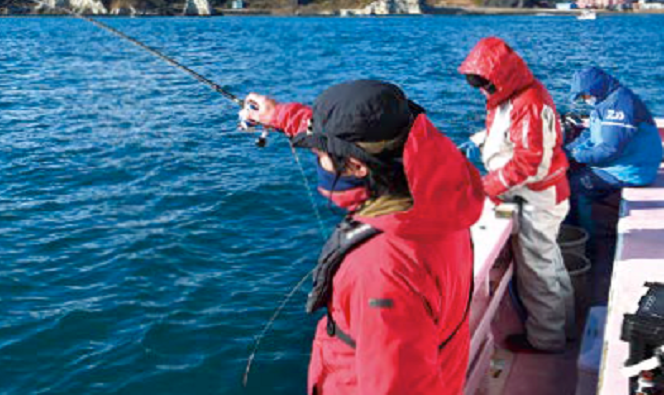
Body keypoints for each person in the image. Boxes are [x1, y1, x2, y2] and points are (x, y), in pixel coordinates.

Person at [244, 80, 484, 395]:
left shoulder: (379, 270)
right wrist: (278, 116)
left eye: (320, 154)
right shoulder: (439, 191)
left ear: (357, 166)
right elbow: (353, 131)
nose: (318, 160)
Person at [457, 37, 574, 354]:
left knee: (537, 270)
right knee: (549, 262)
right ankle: (565, 325)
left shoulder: (528, 103)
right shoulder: (515, 94)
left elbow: (529, 163)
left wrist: (485, 187)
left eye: (485, 85)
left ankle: (547, 339)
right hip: (542, 193)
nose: (483, 91)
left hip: (536, 198)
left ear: (499, 77)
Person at [565, 67, 663, 235]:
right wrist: (566, 151)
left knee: (574, 188)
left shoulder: (620, 106)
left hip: (632, 170)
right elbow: (590, 135)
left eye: (584, 95)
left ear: (594, 87)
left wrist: (576, 155)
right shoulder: (605, 101)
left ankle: (586, 240)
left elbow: (609, 150)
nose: (584, 99)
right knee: (573, 175)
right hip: (621, 164)